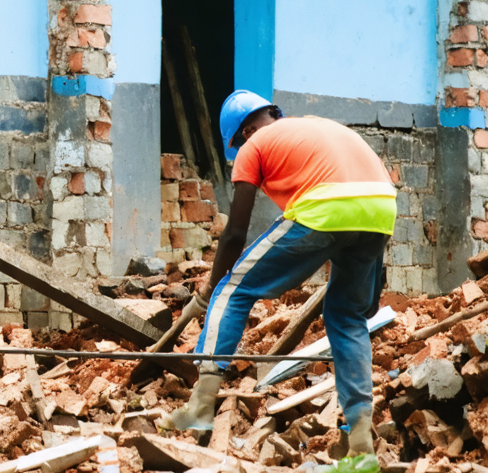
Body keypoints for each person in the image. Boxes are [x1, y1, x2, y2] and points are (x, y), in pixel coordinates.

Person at [163, 90, 395, 457]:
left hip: (325, 207)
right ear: (272, 113)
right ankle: (361, 442)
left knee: (233, 290)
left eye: (238, 143)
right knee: (348, 316)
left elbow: (235, 233)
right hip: (382, 208)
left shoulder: (254, 147)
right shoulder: (316, 127)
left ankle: (200, 407)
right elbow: (366, 198)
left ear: (243, 135)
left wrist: (210, 289)